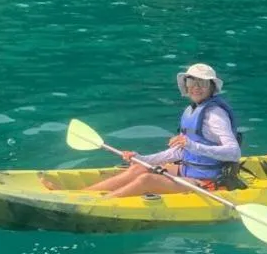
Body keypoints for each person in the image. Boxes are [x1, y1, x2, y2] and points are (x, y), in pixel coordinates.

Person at [63, 63, 241, 197]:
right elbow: (179, 152)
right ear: (186, 85)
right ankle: (79, 194)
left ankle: (101, 203)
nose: (196, 87)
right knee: (138, 169)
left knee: (146, 180)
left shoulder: (215, 114)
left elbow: (234, 153)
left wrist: (191, 145)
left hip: (207, 181)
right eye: (191, 81)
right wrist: (141, 158)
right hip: (187, 171)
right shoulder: (191, 110)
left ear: (211, 87)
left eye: (202, 83)